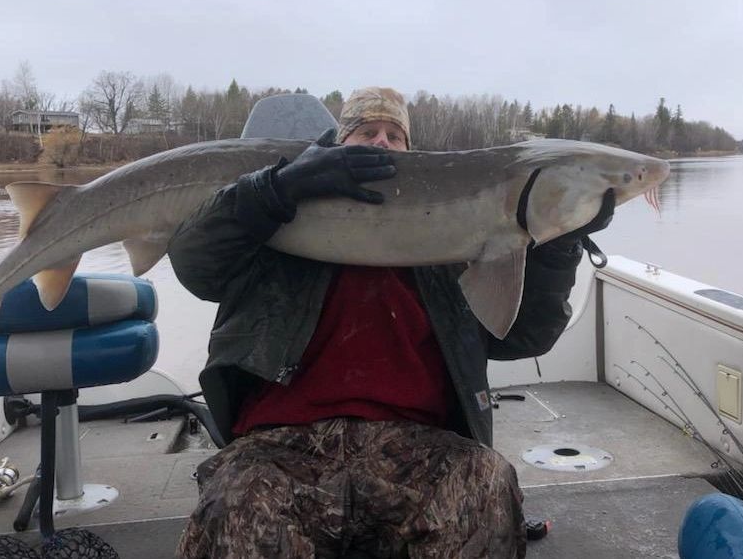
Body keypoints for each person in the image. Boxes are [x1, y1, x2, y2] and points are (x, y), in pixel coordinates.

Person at [168, 87, 613, 558]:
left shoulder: (454, 248)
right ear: (335, 148)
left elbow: (524, 335)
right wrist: (274, 190)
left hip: (417, 448)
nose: (381, 142)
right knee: (233, 502)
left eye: (394, 135)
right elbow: (195, 263)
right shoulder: (275, 237)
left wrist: (560, 243)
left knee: (487, 485)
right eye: (366, 132)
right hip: (282, 446)